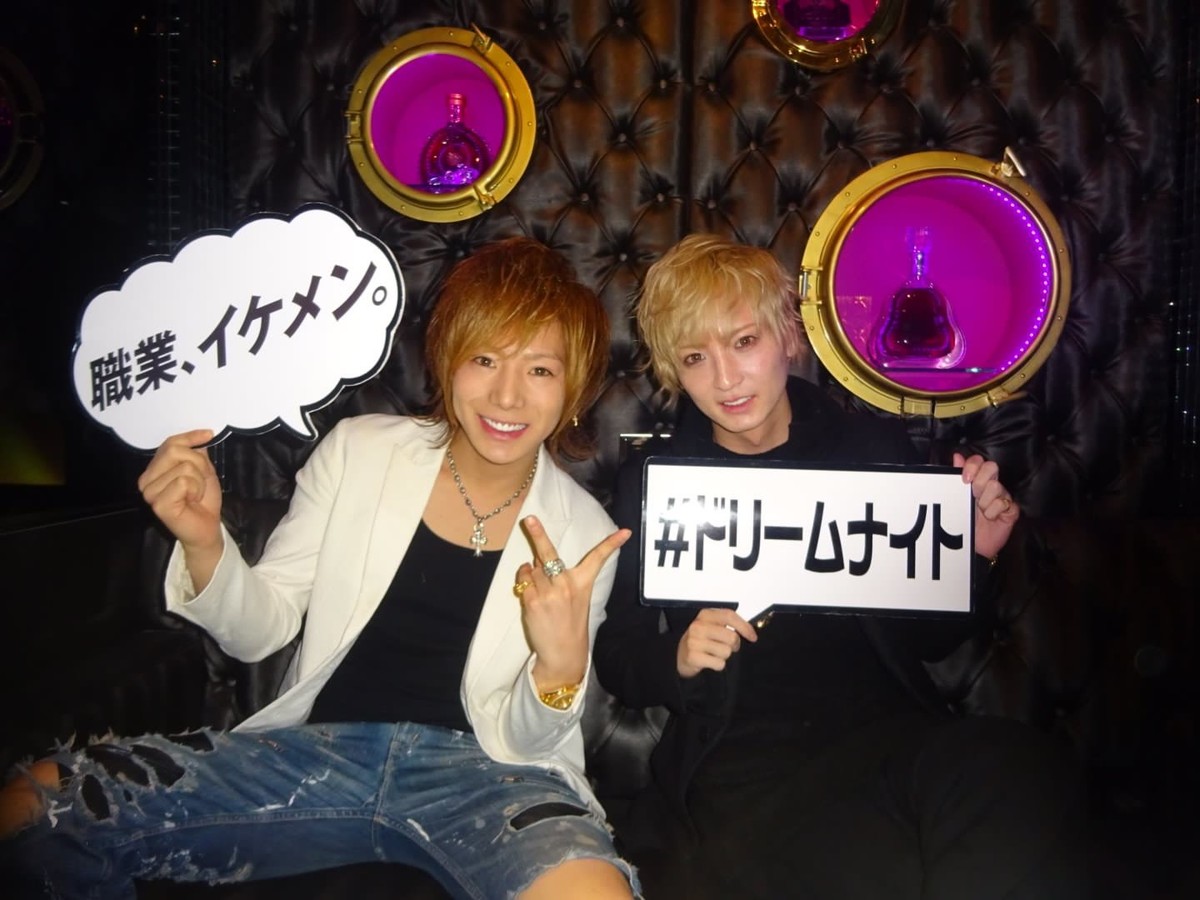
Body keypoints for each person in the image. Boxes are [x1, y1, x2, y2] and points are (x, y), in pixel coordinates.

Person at [0, 237, 640, 899]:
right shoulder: (359, 452)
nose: (507, 395)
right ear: (448, 359)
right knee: (34, 806)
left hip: (487, 777)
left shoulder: (583, 534)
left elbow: (529, 744)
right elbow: (262, 630)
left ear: (572, 389)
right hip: (318, 753)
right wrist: (205, 542)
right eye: (484, 359)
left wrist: (558, 671)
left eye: (540, 370)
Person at [593, 234, 1087, 899]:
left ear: (787, 335)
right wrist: (676, 657)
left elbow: (932, 641)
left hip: (892, 741)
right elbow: (619, 656)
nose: (726, 379)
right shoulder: (658, 481)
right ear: (673, 370)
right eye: (695, 358)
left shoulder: (869, 447)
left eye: (744, 342)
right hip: (743, 767)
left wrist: (976, 554)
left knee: (1019, 767)